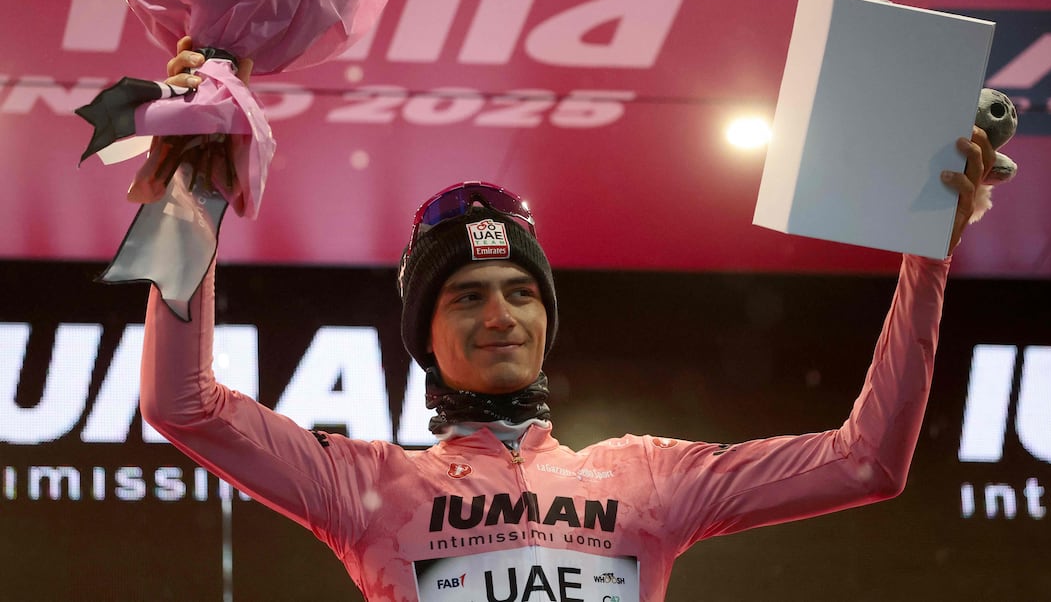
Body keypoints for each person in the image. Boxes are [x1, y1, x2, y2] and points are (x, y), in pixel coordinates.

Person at [142, 39, 995, 601]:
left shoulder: (648, 480)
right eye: (466, 296)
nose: (501, 315)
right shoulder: (369, 488)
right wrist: (194, 188)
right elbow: (183, 405)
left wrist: (927, 257)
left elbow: (867, 462)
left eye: (520, 292)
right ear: (423, 339)